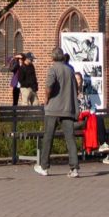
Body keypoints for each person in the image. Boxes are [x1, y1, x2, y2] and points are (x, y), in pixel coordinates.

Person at [34, 47, 81, 177]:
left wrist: (46, 99)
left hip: (53, 110)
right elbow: (76, 89)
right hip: (67, 109)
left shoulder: (53, 69)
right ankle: (74, 168)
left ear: (53, 57)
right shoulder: (70, 70)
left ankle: (44, 167)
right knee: (70, 139)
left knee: (48, 138)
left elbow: (49, 86)